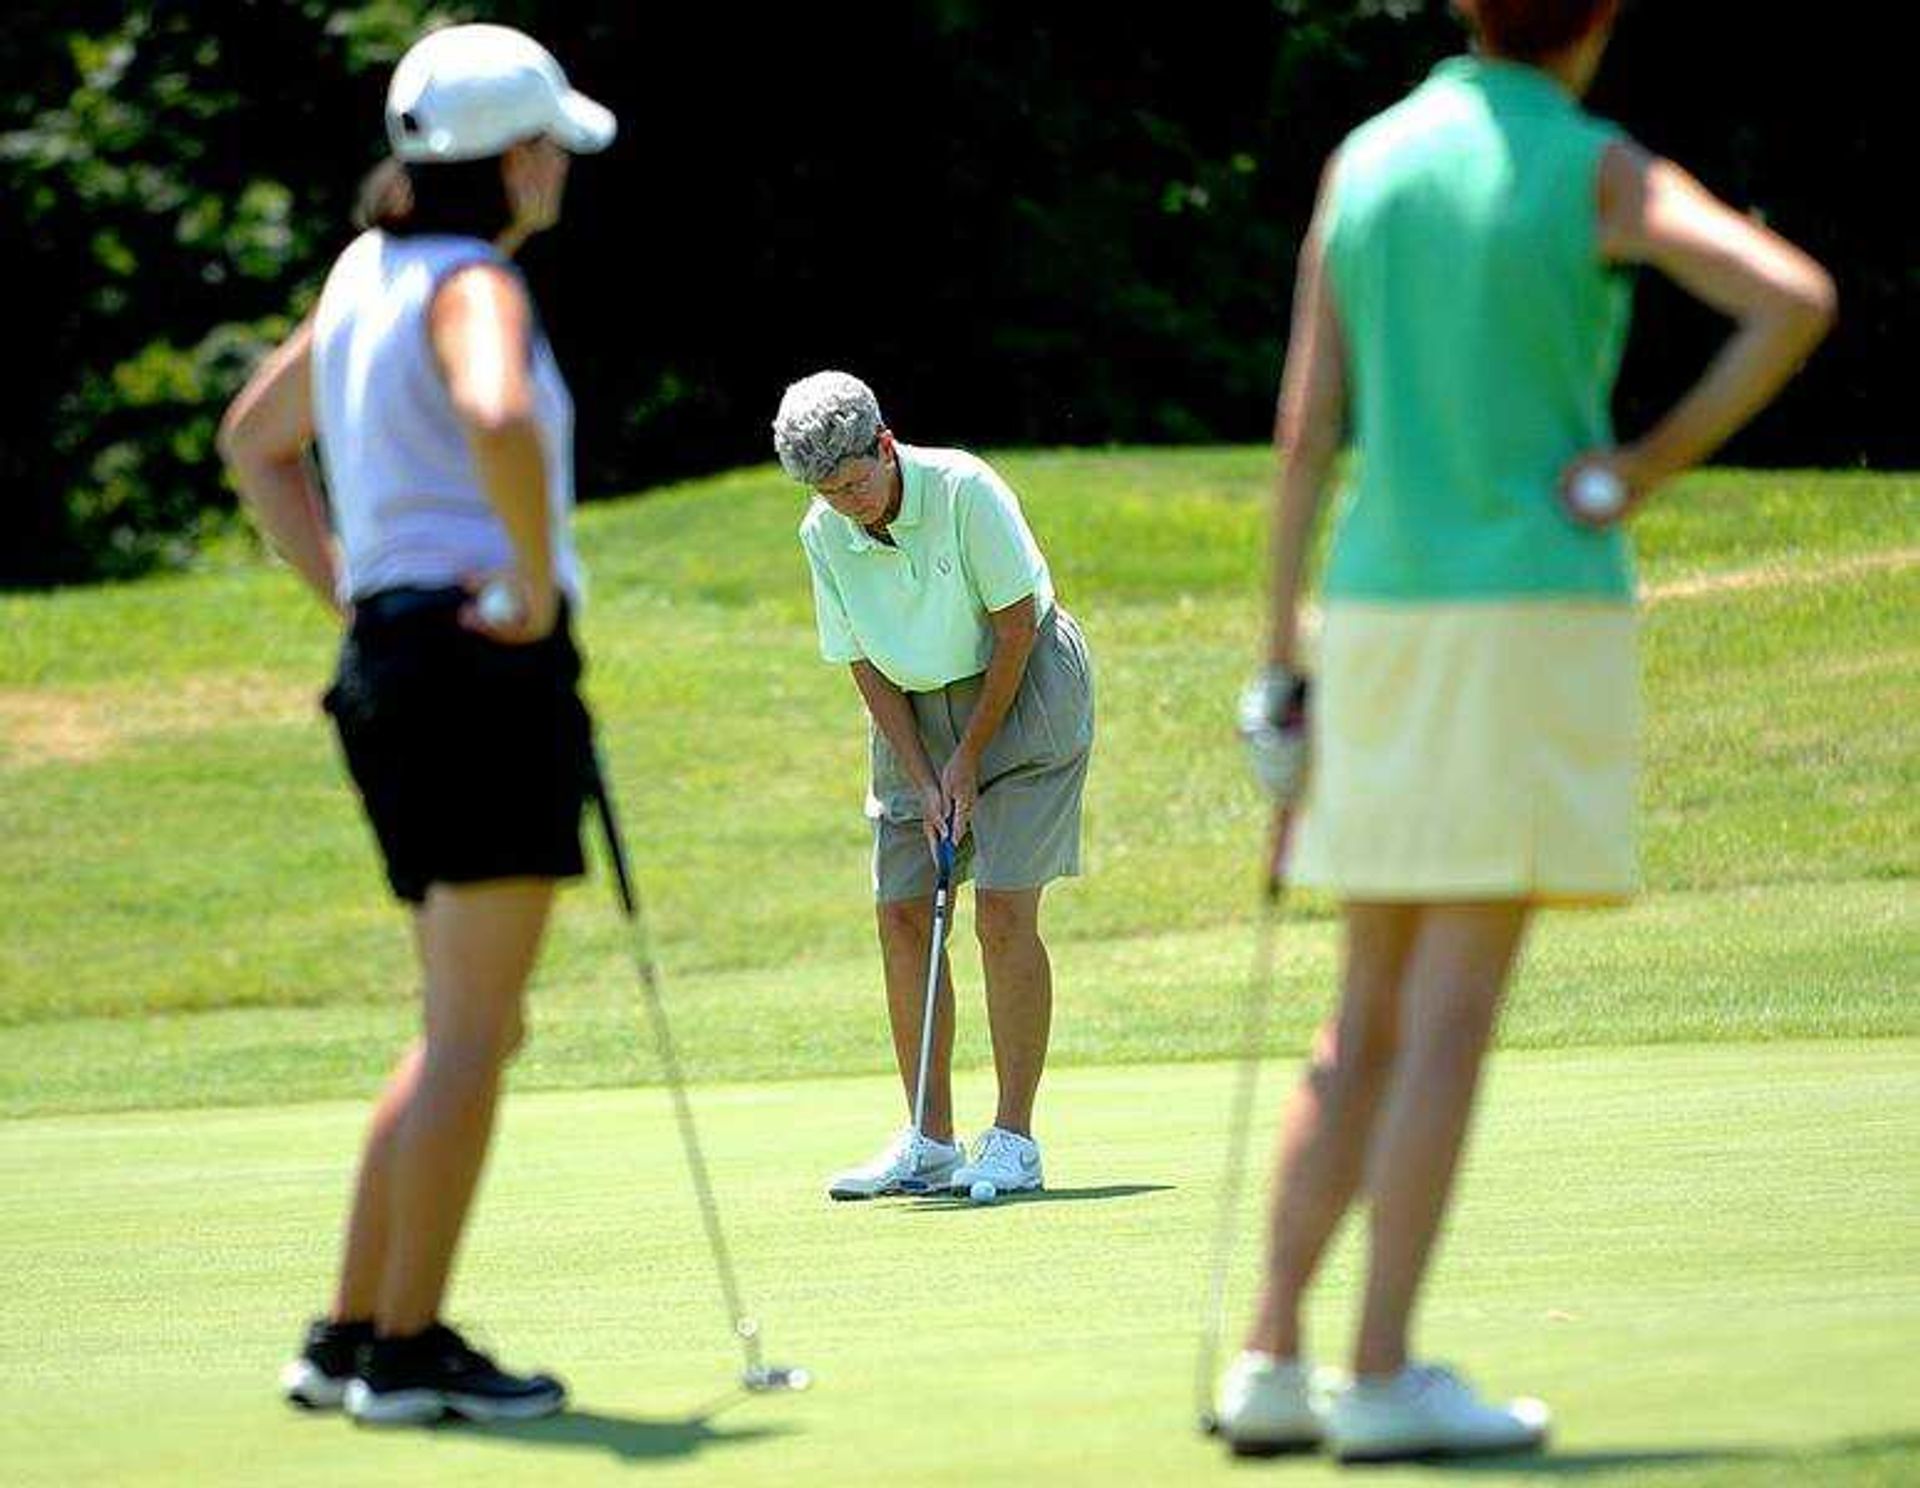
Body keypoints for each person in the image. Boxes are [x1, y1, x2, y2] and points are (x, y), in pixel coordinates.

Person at [1218, 0, 1834, 1462]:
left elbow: (1306, 434)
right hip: (1526, 613)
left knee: (1364, 1015)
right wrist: (1638, 469)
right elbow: (1788, 299)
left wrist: (1275, 669)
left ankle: (1270, 1360)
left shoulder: (1365, 158)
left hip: (1371, 617)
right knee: (1448, 1018)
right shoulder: (1594, 164)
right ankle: (1378, 1373)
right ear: (1604, 15)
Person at [217, 23, 618, 1426]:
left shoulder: (367, 271)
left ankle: (349, 1332)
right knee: (471, 1034)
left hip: (395, 674)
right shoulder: (474, 284)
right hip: (476, 678)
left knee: (465, 1026)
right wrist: (523, 587)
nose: (559, 165)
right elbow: (500, 418)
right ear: (512, 156)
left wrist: (357, 599)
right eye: (550, 143)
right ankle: (408, 1347)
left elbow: (254, 446)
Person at [772, 372, 1095, 1201]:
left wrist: (968, 761)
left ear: (884, 446)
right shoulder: (826, 531)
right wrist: (924, 777)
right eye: (827, 491)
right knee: (903, 912)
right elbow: (861, 661)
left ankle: (1014, 1140)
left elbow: (1016, 624)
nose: (847, 504)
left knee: (1001, 912)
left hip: (1021, 691)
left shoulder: (964, 491)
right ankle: (930, 1137)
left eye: (854, 481)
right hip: (912, 714)